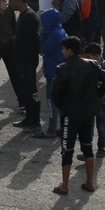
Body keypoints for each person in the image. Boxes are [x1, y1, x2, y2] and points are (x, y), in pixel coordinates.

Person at [51, 36, 105, 194]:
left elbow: (55, 95)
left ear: (70, 50)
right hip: (88, 113)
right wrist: (96, 97)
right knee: (87, 147)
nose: (62, 52)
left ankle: (65, 185)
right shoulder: (92, 65)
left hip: (71, 115)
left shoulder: (62, 68)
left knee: (67, 149)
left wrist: (63, 106)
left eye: (63, 49)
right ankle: (90, 182)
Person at [9, 0, 42, 131]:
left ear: (18, 0)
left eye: (11, 0)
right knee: (25, 90)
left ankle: (35, 121)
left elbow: (33, 40)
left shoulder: (29, 17)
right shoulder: (23, 15)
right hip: (22, 59)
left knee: (32, 90)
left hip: (28, 60)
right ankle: (28, 118)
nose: (10, 3)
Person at [79, 42, 105, 160]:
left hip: (101, 101)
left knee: (101, 125)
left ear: (97, 55)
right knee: (88, 128)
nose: (86, 59)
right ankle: (87, 151)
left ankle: (101, 148)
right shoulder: (86, 65)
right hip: (88, 102)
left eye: (89, 56)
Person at [36, 8, 67, 139]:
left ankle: (51, 129)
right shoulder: (59, 31)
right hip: (57, 71)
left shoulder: (54, 35)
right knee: (59, 102)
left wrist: (40, 37)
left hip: (53, 72)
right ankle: (62, 127)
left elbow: (44, 49)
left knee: (51, 101)